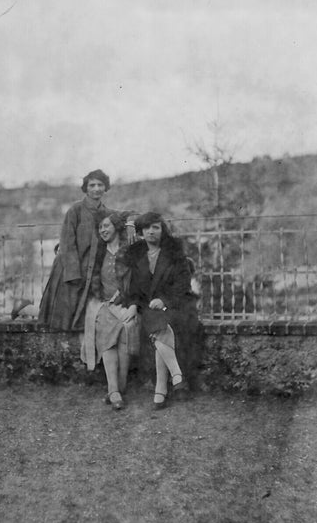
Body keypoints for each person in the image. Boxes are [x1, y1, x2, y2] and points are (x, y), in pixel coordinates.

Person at [118, 212, 201, 409]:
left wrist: (163, 299)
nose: (151, 232)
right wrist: (132, 304)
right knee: (156, 322)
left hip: (177, 302)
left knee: (159, 325)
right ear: (141, 232)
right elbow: (134, 288)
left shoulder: (174, 251)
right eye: (147, 228)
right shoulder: (137, 254)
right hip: (150, 307)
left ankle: (162, 387)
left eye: (156, 227)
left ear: (162, 230)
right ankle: (174, 377)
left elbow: (183, 283)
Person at [38, 169, 112, 331]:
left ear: (106, 188)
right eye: (92, 185)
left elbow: (122, 219)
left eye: (100, 185)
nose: (96, 189)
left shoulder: (106, 213)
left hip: (92, 272)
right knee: (59, 316)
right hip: (69, 269)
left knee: (85, 315)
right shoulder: (75, 210)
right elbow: (67, 242)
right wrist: (73, 274)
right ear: (85, 188)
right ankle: (23, 308)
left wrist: (130, 224)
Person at [81, 212, 140, 410]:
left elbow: (140, 281)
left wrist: (131, 222)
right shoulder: (98, 253)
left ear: (116, 226)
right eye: (100, 228)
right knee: (106, 327)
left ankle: (119, 388)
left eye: (107, 226)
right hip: (103, 304)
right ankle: (114, 390)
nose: (103, 230)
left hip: (126, 303)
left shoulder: (129, 250)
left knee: (127, 327)